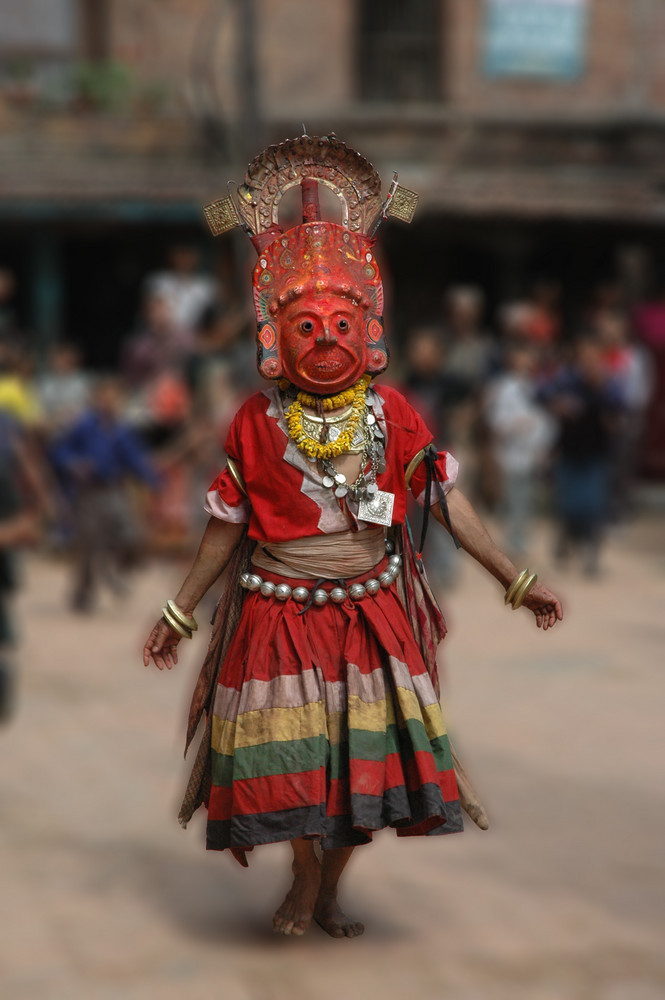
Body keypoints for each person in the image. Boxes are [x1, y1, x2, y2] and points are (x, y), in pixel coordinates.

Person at [142, 135, 563, 939]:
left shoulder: (394, 414)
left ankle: (327, 888)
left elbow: (447, 502)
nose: (326, 337)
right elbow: (223, 530)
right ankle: (303, 879)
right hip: (278, 619)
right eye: (307, 324)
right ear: (276, 338)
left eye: (341, 321)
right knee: (293, 773)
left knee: (362, 777)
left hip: (371, 619)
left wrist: (517, 578)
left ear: (367, 331)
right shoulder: (253, 424)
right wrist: (178, 611)